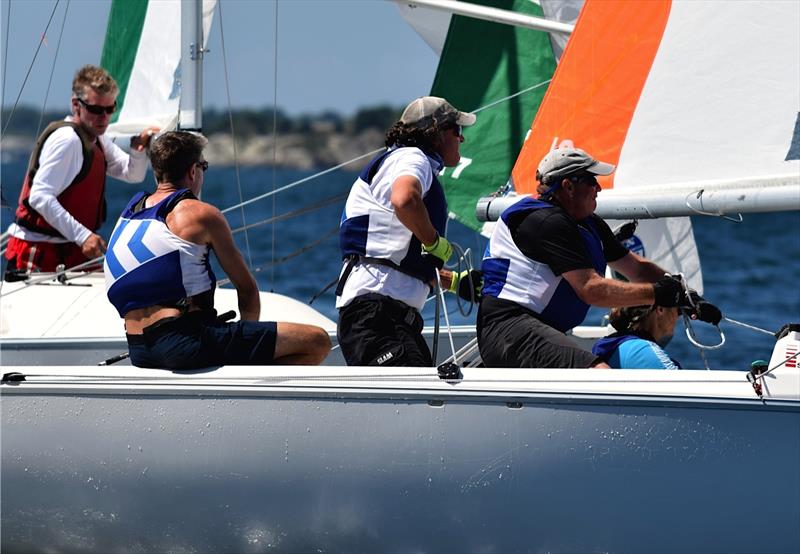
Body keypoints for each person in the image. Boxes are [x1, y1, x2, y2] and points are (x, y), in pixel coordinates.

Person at [478, 145, 722, 369]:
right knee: (600, 373)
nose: (599, 188)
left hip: (538, 330)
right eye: (592, 180)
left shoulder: (587, 223)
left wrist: (689, 296)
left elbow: (636, 269)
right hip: (508, 330)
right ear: (568, 186)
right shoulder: (545, 222)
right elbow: (591, 289)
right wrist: (658, 294)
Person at [104, 131, 331, 369]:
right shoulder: (201, 214)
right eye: (204, 166)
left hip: (139, 349)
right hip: (183, 342)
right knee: (317, 341)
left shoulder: (129, 215)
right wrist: (247, 349)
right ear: (193, 170)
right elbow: (247, 291)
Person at [336, 96, 476, 366]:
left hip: (381, 313)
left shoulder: (401, 159)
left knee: (425, 397)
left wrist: (456, 282)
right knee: (422, 401)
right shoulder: (413, 158)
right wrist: (434, 241)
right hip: (377, 313)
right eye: (456, 130)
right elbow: (405, 199)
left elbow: (392, 256)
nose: (462, 139)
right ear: (435, 132)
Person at [4, 65, 158, 280]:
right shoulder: (67, 140)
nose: (104, 117)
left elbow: (132, 174)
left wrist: (138, 150)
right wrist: (84, 236)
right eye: (96, 110)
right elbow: (40, 196)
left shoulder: (97, 138)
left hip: (72, 247)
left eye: (110, 109)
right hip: (41, 250)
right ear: (76, 105)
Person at [592, 305, 682, 369]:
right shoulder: (640, 350)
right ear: (660, 309)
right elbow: (683, 391)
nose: (678, 317)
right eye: (678, 310)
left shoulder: (623, 344)